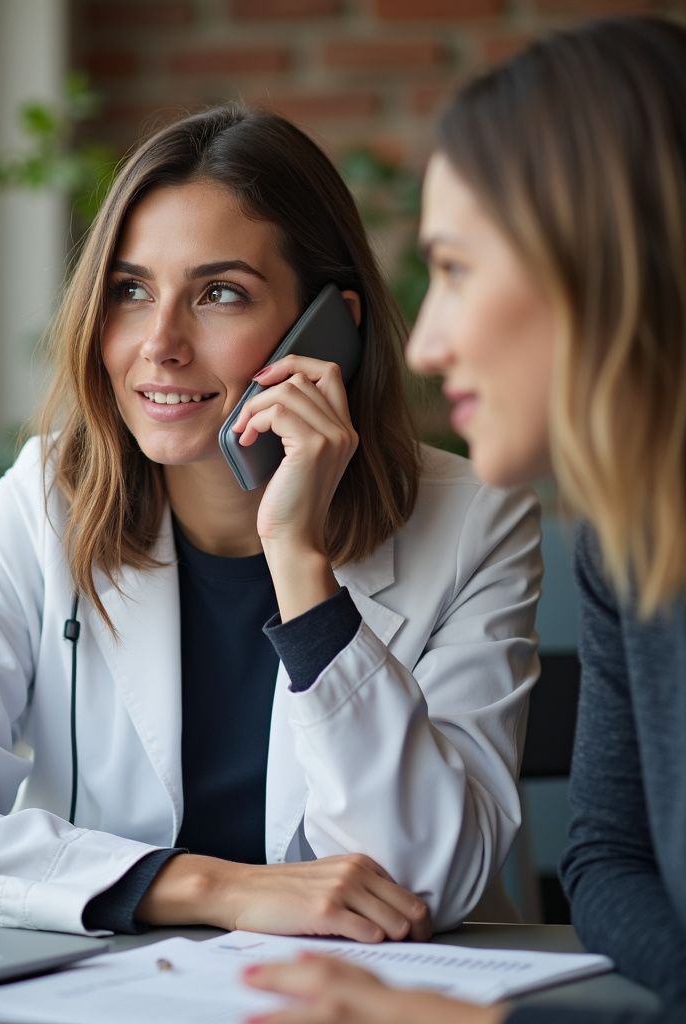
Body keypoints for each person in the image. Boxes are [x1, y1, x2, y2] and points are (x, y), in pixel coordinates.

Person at [0, 103, 542, 941]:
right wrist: (212, 887)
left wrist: (300, 561)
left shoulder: (476, 523)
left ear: (331, 329)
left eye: (219, 294)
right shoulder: (46, 498)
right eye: (131, 291)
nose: (160, 344)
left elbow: (425, 882)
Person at [244, 14, 686, 1024]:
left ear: (601, 257)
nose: (428, 343)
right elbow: (608, 861)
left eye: (452, 269)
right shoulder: (628, 548)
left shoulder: (506, 522)